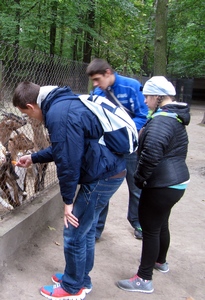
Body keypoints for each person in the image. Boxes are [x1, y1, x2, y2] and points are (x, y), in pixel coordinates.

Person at [13, 82, 126, 300]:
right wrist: (34, 157)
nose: (30, 118)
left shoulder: (58, 114)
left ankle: (73, 287)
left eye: (26, 113)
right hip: (109, 170)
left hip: (103, 175)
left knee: (73, 231)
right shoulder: (61, 102)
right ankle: (81, 278)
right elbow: (66, 146)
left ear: (31, 105)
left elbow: (68, 162)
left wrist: (67, 202)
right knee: (87, 229)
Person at [117, 76, 190, 293]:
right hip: (176, 183)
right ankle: (161, 261)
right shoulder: (174, 116)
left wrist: (139, 179)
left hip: (161, 184)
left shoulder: (161, 120)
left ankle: (144, 278)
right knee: (161, 224)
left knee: (149, 230)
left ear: (158, 97)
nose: (145, 100)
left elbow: (151, 154)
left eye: (148, 96)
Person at [86, 58, 148, 240]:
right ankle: (96, 229)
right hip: (108, 147)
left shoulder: (131, 86)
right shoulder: (98, 92)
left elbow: (143, 115)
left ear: (108, 72)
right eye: (93, 81)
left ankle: (137, 222)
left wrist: (122, 132)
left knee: (135, 185)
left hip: (128, 145)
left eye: (98, 79)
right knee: (102, 184)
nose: (96, 84)